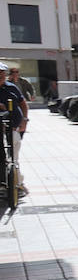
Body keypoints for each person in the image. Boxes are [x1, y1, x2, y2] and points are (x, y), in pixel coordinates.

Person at [0, 63, 28, 198]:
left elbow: (23, 104)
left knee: (14, 158)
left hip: (13, 128)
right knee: (3, 158)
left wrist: (24, 121)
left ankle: (17, 184)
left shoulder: (11, 88)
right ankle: (6, 183)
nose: (1, 76)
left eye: (2, 73)